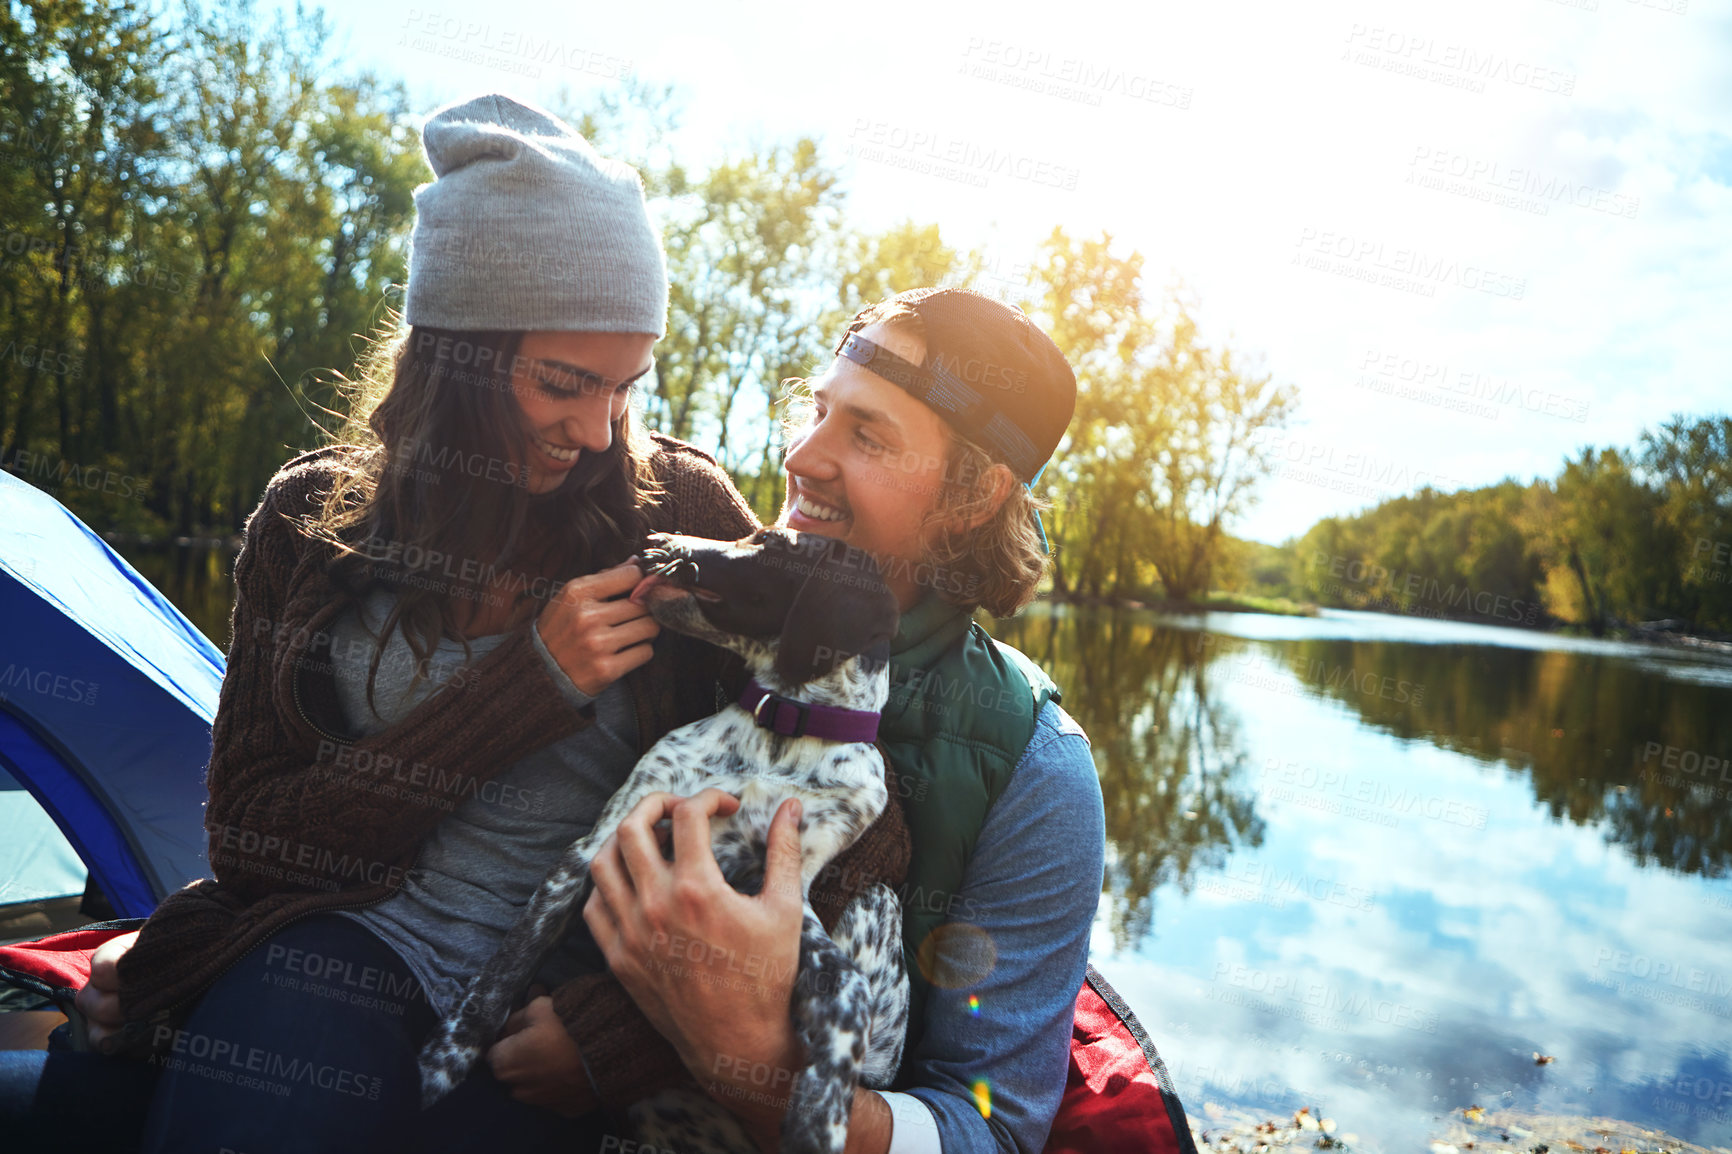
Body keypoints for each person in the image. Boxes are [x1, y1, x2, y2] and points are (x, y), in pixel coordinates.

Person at [0, 93, 908, 1153]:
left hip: (549, 1005)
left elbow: (858, 832)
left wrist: (617, 1038)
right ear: (457, 356)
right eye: (563, 383)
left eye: (625, 387)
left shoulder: (681, 517)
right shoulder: (311, 520)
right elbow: (252, 838)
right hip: (342, 947)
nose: (598, 427)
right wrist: (525, 686)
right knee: (129, 1098)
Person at [580, 287, 1107, 1153]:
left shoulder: (1034, 771)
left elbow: (992, 1130)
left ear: (975, 492)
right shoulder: (686, 611)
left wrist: (742, 1060)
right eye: (817, 411)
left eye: (867, 435)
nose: (803, 455)